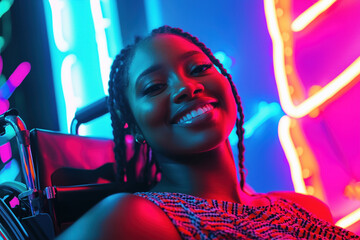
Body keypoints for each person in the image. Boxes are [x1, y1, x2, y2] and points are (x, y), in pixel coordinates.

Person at [57, 26, 359, 239]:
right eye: (155, 87)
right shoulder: (135, 218)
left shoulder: (306, 209)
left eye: (199, 68)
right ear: (134, 126)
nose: (186, 87)